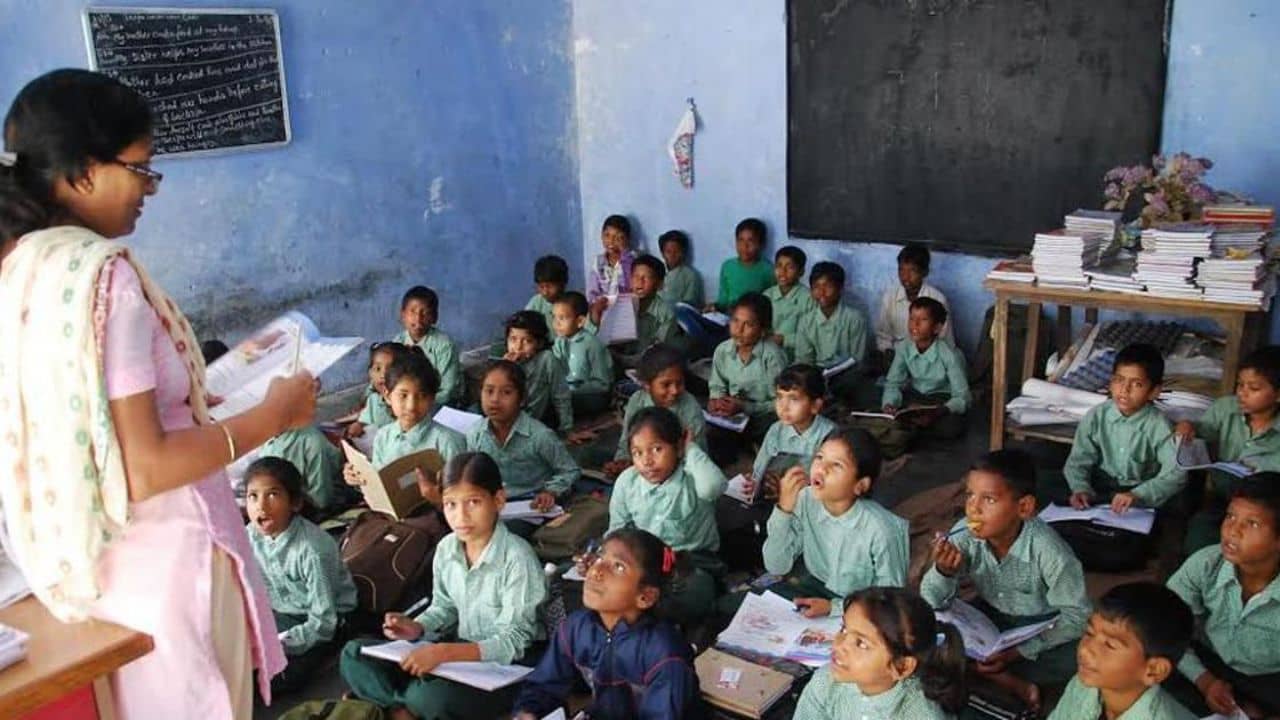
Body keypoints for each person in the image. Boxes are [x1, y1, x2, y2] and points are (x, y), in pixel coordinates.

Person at [0, 68, 317, 717]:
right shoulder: (103, 278)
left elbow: (97, 422)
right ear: (83, 172)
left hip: (95, 572)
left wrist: (201, 407)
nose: (149, 187)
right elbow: (144, 466)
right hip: (170, 562)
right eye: (140, 168)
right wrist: (271, 415)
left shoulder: (22, 271)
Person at [340, 452, 547, 720]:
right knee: (354, 654)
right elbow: (444, 607)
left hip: (503, 669)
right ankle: (402, 707)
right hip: (454, 655)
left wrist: (445, 652)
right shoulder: (448, 548)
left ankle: (396, 703)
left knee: (430, 698)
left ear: (498, 500)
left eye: (473, 502)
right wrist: (417, 627)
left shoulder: (517, 557)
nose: (461, 516)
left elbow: (514, 641)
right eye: (450, 504)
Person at [921, 450, 1090, 710]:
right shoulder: (964, 536)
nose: (973, 508)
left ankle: (994, 673)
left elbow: (1077, 617)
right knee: (929, 633)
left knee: (1082, 655)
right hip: (989, 617)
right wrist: (943, 571)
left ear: (1024, 507)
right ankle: (1007, 679)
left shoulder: (1051, 553)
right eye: (970, 495)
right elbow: (931, 601)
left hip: (1041, 625)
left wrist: (1016, 652)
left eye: (988, 499)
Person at [511, 528, 701, 719]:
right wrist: (528, 712)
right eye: (599, 558)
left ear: (645, 597)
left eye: (618, 567)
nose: (596, 571)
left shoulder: (665, 654)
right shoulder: (576, 628)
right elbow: (544, 686)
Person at [760, 428, 908, 617]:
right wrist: (784, 510)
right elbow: (776, 566)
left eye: (837, 465)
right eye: (819, 457)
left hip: (862, 604)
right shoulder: (805, 499)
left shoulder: (883, 530)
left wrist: (834, 608)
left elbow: (890, 600)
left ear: (860, 485)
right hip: (814, 585)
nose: (821, 469)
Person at [1165, 477, 1280, 718]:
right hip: (1210, 659)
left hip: (1270, 678)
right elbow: (1165, 625)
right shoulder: (1206, 563)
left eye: (1252, 523)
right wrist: (1205, 681)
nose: (1232, 531)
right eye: (1230, 516)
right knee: (1145, 666)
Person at [245, 457, 357, 695]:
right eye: (253, 496)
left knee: (273, 679)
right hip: (282, 613)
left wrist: (278, 645)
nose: (260, 506)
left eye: (272, 495)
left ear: (295, 503)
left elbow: (324, 623)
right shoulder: (250, 536)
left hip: (325, 622)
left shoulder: (312, 550)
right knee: (233, 656)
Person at [609, 407, 727, 624]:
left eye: (656, 449)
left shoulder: (692, 478)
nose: (647, 461)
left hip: (692, 562)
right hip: (646, 561)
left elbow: (714, 487)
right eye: (637, 453)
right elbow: (617, 531)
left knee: (692, 596)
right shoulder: (627, 482)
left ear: (678, 447)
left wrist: (690, 447)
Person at [793, 587, 967, 720]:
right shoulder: (825, 681)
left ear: (902, 666)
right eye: (844, 629)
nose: (839, 644)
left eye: (861, 643)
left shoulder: (921, 715)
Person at [1174, 346, 1280, 553]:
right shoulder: (1225, 408)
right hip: (1223, 497)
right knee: (1200, 533)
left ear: (1278, 395)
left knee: (1255, 544)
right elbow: (1202, 433)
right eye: (1240, 385)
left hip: (1264, 506)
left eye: (1254, 388)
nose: (1242, 393)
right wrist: (1187, 428)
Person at [1047, 583, 1196, 720]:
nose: (1085, 650)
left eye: (1109, 645)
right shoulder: (1083, 685)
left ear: (1154, 670)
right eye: (1089, 633)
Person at [465, 361, 579, 533]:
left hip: (531, 506)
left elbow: (570, 470)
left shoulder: (539, 435)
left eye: (506, 392)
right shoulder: (475, 433)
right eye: (489, 391)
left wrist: (550, 492)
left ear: (522, 399)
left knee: (504, 532)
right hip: (495, 503)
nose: (495, 399)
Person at [604, 343, 707, 478]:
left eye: (679, 383)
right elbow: (626, 441)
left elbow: (696, 456)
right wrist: (622, 461)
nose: (674, 391)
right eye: (666, 385)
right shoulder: (637, 401)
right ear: (646, 385)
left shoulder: (690, 408)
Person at [879, 297, 969, 440]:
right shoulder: (904, 347)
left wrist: (938, 412)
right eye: (912, 318)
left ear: (937, 328)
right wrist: (889, 404)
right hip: (915, 396)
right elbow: (893, 383)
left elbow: (963, 397)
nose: (915, 325)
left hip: (941, 400)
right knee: (879, 398)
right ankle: (915, 427)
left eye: (923, 320)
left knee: (952, 427)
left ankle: (912, 429)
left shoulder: (951, 354)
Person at [707, 291, 789, 441]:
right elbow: (717, 386)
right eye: (735, 321)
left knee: (772, 427)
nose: (739, 330)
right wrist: (717, 402)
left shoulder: (772, 356)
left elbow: (782, 401)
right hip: (734, 413)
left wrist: (746, 407)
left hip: (764, 415)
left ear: (763, 330)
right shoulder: (722, 350)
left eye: (748, 325)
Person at [875, 243, 953, 364]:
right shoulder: (890, 296)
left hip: (927, 360)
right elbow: (883, 335)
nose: (905, 277)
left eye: (912, 271)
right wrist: (888, 352)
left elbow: (946, 341)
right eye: (901, 270)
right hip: (896, 356)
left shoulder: (938, 299)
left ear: (925, 272)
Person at [504, 310, 574, 436]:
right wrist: (506, 369)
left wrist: (567, 429)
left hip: (531, 422)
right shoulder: (505, 364)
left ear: (539, 343)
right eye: (513, 339)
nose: (518, 347)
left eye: (527, 341)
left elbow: (561, 395)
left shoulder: (546, 360)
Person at [393, 286, 462, 408]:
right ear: (402, 315)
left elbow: (448, 390)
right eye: (412, 311)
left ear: (435, 317)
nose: (418, 318)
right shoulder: (398, 341)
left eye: (425, 313)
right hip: (409, 401)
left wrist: (420, 404)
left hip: (440, 402)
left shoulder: (444, 346)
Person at [551, 291, 613, 418]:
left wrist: (573, 389)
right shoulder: (559, 342)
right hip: (566, 391)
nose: (556, 324)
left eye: (562, 318)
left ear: (580, 321)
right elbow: (556, 372)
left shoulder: (593, 344)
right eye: (554, 317)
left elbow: (603, 385)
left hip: (591, 395)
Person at [346, 342, 407, 440]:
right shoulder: (374, 400)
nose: (383, 375)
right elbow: (364, 420)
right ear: (370, 372)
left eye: (390, 370)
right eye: (378, 369)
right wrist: (357, 426)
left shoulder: (407, 402)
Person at [711, 217, 775, 311]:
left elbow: (771, 303)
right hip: (728, 315)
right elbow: (723, 300)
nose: (745, 246)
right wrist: (715, 307)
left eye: (751, 241)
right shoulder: (728, 266)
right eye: (740, 240)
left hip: (753, 316)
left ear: (761, 244)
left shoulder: (768, 270)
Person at [763, 245, 815, 359]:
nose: (782, 271)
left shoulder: (808, 298)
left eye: (790, 267)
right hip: (768, 354)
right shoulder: (767, 295)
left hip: (797, 358)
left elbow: (812, 336)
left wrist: (784, 339)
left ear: (801, 272)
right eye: (779, 266)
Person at [587, 214, 636, 307]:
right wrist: (597, 304)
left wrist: (624, 255)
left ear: (627, 239)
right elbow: (592, 292)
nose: (611, 241)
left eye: (618, 237)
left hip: (626, 307)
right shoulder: (598, 262)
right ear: (601, 236)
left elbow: (630, 284)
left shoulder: (632, 260)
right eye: (607, 235)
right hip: (603, 308)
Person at [525, 254, 571, 333]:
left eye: (549, 286)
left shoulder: (572, 304)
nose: (545, 292)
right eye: (541, 287)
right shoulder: (536, 302)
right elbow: (525, 324)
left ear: (563, 283)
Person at [657, 229, 702, 308]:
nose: (672, 255)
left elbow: (689, 305)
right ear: (662, 253)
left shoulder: (690, 276)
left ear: (683, 252)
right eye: (668, 252)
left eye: (677, 251)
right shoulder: (654, 271)